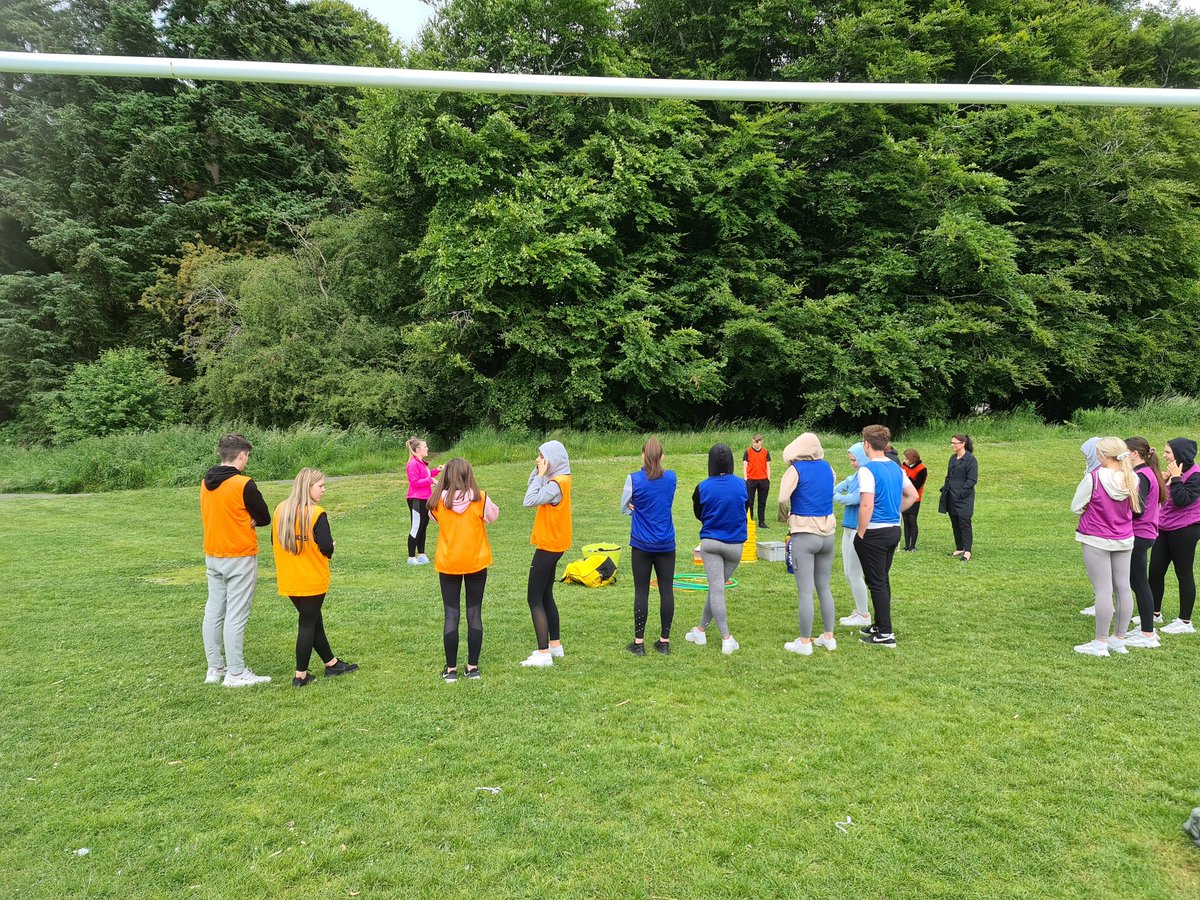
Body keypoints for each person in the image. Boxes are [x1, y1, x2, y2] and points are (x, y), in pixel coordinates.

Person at [272, 468, 358, 686]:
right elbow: (327, 546)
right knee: (308, 623)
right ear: (307, 487)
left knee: (312, 619)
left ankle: (332, 664)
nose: (324, 490)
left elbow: (275, 541)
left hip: (289, 577)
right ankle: (300, 676)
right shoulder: (316, 512)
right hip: (311, 578)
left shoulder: (280, 509)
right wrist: (330, 548)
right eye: (320, 486)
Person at [200, 433, 272, 687]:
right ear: (241, 455)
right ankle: (236, 673)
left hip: (213, 554)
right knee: (235, 615)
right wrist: (249, 519)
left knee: (214, 610)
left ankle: (215, 668)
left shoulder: (206, 482)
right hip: (239, 554)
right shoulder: (243, 484)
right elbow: (264, 517)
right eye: (247, 456)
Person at [429, 458, 499, 681]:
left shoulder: (437, 502)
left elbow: (435, 519)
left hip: (449, 563)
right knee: (474, 612)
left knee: (451, 614)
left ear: (446, 475)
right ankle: (472, 667)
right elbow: (493, 516)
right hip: (476, 562)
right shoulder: (480, 498)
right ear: (469, 475)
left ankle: (450, 670)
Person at [1071, 437, 1141, 657]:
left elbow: (1076, 506)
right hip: (1124, 538)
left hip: (1096, 537)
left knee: (1102, 590)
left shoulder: (1094, 477)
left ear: (1102, 455)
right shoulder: (1133, 477)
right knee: (1123, 588)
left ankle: (1100, 643)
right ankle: (1119, 639)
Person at [855, 425, 919, 647]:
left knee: (877, 582)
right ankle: (880, 624)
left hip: (874, 531)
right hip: (893, 529)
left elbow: (866, 504)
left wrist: (861, 532)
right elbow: (912, 495)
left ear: (867, 444)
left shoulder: (867, 470)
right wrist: (894, 511)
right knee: (882, 578)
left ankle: (886, 634)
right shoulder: (896, 468)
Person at [776, 433, 837, 655]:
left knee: (804, 592)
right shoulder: (828, 468)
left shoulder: (795, 470)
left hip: (804, 533)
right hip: (828, 534)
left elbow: (783, 498)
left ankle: (804, 642)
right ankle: (828, 637)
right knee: (824, 586)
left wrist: (784, 517)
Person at [685, 444, 748, 654]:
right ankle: (700, 630)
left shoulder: (702, 487)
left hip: (711, 543)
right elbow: (744, 508)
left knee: (717, 590)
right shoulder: (743, 485)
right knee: (716, 588)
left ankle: (726, 638)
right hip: (735, 546)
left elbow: (698, 513)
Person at [620, 437, 676, 656]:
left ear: (643, 455)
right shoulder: (671, 478)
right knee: (666, 591)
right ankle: (664, 641)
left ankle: (639, 642)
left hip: (642, 544)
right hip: (666, 544)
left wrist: (633, 505)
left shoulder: (633, 479)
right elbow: (664, 500)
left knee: (641, 591)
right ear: (662, 456)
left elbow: (624, 508)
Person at [521, 440, 572, 667]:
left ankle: (543, 654)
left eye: (542, 457)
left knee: (534, 598)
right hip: (554, 545)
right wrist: (538, 471)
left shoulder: (555, 484)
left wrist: (541, 474)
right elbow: (531, 485)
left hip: (549, 546)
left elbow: (529, 500)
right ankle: (555, 645)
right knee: (546, 595)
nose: (538, 460)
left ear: (552, 460)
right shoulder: (561, 478)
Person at [1149, 437, 1200, 636]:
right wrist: (1166, 479)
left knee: (1183, 573)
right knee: (1155, 569)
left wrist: (1176, 479)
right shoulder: (1172, 472)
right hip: (1165, 527)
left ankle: (1185, 621)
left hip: (1186, 529)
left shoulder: (1196, 476)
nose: (1164, 455)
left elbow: (1181, 500)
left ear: (1180, 455)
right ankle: (1154, 613)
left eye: (1168, 452)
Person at [1122, 437, 1165, 648]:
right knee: (1137, 582)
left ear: (1135, 454)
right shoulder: (1147, 473)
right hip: (1145, 533)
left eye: (1125, 453)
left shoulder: (1141, 476)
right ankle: (1146, 629)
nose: (1122, 457)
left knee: (1139, 583)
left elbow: (1137, 510)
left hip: (1140, 534)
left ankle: (1148, 633)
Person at [833, 442, 872, 628]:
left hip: (858, 529)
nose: (853, 463)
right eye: (851, 460)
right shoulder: (855, 476)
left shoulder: (867, 476)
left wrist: (838, 498)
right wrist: (838, 489)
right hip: (848, 527)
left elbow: (856, 498)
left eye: (854, 460)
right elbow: (841, 487)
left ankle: (864, 614)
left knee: (855, 573)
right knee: (849, 572)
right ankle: (859, 609)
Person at [939, 434, 978, 561]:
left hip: (963, 497)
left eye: (955, 443)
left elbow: (972, 480)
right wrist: (945, 488)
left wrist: (961, 492)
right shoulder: (952, 458)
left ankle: (967, 551)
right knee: (955, 522)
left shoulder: (970, 459)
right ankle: (960, 547)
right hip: (951, 494)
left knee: (964, 522)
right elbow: (948, 475)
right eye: (951, 442)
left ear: (963, 444)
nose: (952, 445)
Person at [405, 437, 440, 565]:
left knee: (423, 526)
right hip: (416, 499)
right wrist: (431, 481)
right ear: (418, 449)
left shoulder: (421, 463)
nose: (427, 449)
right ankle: (411, 557)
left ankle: (421, 554)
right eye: (425, 447)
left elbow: (425, 476)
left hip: (425, 499)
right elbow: (414, 482)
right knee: (416, 527)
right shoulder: (412, 464)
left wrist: (437, 471)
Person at [900, 449, 928, 552]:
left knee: (912, 520)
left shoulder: (922, 469)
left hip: (915, 498)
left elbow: (917, 485)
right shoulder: (903, 467)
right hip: (904, 497)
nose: (904, 460)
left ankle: (913, 545)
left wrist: (906, 478)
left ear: (912, 459)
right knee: (906, 521)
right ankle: (907, 545)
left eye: (906, 459)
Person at [743, 434, 772, 529]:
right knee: (749, 501)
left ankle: (761, 521)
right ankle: (749, 519)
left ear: (761, 442)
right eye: (753, 442)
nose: (754, 444)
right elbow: (745, 466)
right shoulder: (748, 451)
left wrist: (768, 479)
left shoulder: (765, 452)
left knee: (762, 502)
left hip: (763, 480)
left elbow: (768, 466)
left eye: (756, 442)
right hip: (751, 480)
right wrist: (746, 479)